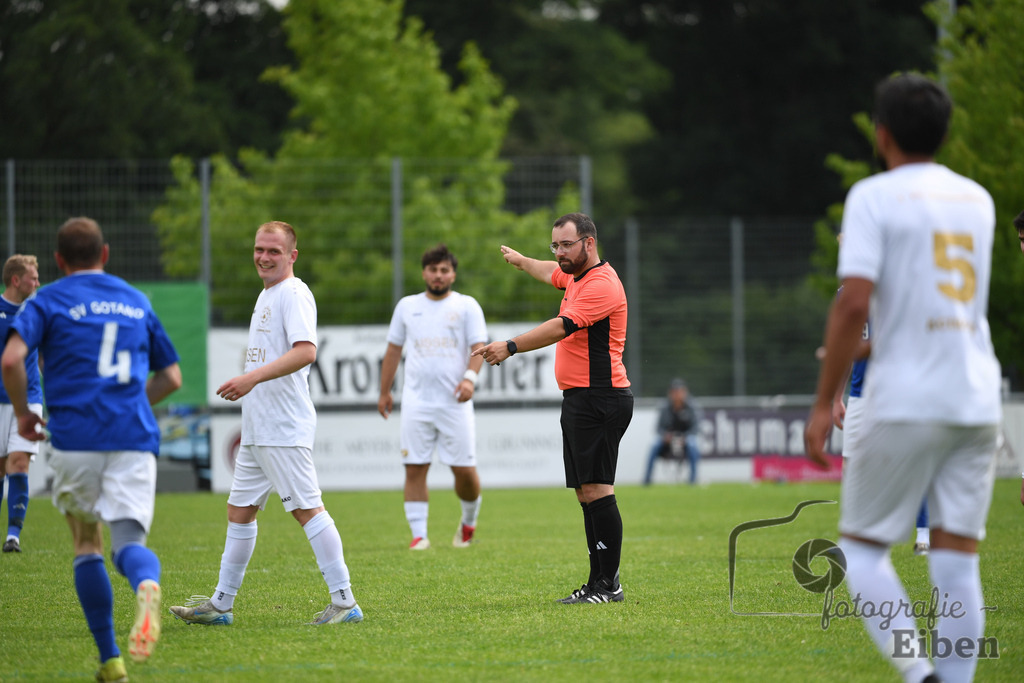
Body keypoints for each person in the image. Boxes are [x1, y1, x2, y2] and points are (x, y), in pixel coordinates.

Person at [805, 74, 1001, 683]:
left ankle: (921, 675)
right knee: (957, 557)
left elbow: (853, 302)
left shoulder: (873, 196)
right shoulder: (978, 200)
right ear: (946, 133)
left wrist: (820, 404)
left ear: (881, 134)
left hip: (907, 394)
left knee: (862, 549)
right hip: (975, 395)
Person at [1, 218, 182, 681]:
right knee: (128, 543)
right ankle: (146, 583)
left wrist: (23, 412)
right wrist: (128, 404)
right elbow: (172, 378)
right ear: (105, 254)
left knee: (87, 544)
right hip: (133, 439)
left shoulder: (49, 299)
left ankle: (111, 661)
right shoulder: (136, 300)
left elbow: (11, 359)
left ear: (59, 262)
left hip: (76, 438)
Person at [170, 221, 362, 628]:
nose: (264, 256)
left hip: (282, 425)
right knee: (239, 511)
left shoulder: (293, 293)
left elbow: (306, 352)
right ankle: (221, 605)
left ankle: (345, 601)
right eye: (259, 249)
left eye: (274, 251)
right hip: (258, 428)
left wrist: (251, 377)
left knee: (308, 510)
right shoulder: (268, 294)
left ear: (292, 255)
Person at [473, 212, 633, 605]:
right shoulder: (576, 276)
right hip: (581, 398)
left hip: (601, 397)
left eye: (567, 245)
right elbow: (550, 272)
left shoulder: (602, 284)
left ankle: (607, 585)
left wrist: (510, 346)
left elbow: (562, 326)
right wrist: (523, 260)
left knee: (597, 490)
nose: (560, 253)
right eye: (555, 245)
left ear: (589, 243)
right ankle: (599, 583)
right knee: (586, 493)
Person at [378, 244, 486, 550]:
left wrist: (469, 379)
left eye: (444, 270)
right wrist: (384, 391)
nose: (438, 276)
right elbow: (393, 350)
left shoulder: (467, 306)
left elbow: (479, 346)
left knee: (464, 472)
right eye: (432, 270)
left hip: (455, 402)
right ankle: (419, 535)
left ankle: (468, 521)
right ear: (424, 273)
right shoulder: (407, 306)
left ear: (452, 274)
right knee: (415, 467)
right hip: (416, 403)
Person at [828, 309, 930, 556]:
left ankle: (924, 537)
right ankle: (855, 539)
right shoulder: (848, 293)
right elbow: (845, 346)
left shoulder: (898, 283)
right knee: (851, 468)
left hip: (897, 393)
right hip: (859, 396)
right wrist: (836, 397)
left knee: (911, 464)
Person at [0, 254, 41, 553]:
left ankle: (13, 535)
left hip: (30, 401)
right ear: (16, 280)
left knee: (19, 462)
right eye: (33, 277)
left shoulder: (37, 311)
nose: (38, 282)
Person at [642, 378, 702, 485]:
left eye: (680, 391)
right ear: (670, 393)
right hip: (668, 441)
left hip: (685, 440)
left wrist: (685, 438)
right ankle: (647, 481)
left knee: (693, 444)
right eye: (675, 392)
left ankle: (693, 481)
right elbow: (659, 428)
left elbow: (695, 428)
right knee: (654, 445)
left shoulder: (691, 407)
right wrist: (666, 436)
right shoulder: (665, 407)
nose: (677, 395)